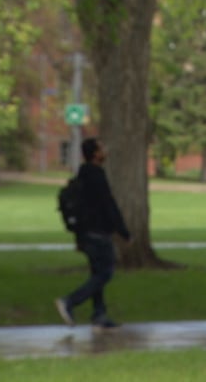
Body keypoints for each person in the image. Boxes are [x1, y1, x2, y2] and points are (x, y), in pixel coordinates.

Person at [55, 137, 131, 331]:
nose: (105, 150)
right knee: (105, 273)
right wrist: (123, 230)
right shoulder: (96, 175)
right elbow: (108, 204)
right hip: (97, 232)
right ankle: (70, 301)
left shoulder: (83, 175)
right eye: (102, 148)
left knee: (97, 273)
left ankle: (99, 314)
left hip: (85, 232)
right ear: (96, 154)